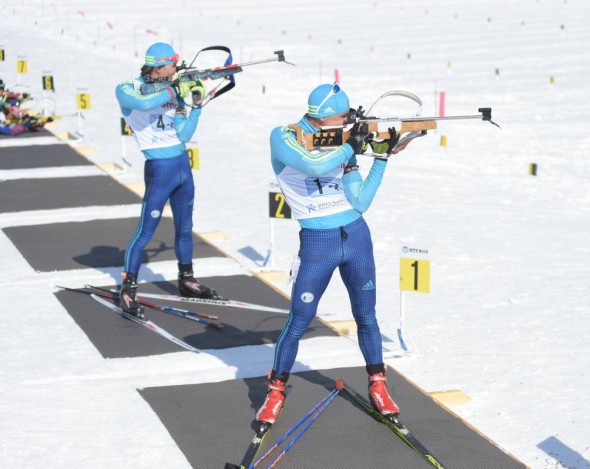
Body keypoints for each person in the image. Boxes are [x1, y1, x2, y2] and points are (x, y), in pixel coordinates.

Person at [256, 82, 402, 425]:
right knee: (300, 318)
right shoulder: (285, 136)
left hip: (357, 237)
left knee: (367, 316)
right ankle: (276, 390)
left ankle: (378, 385)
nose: (346, 122)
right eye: (342, 117)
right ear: (322, 117)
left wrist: (380, 157)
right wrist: (352, 144)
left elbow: (360, 201)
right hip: (318, 244)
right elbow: (313, 166)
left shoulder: (342, 144)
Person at [115, 42, 220, 318]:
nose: (176, 69)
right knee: (146, 231)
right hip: (160, 169)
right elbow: (143, 103)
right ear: (159, 66)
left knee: (185, 227)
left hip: (182, 166)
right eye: (173, 65)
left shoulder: (174, 88)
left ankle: (187, 279)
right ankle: (128, 288)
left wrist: (196, 106)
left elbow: (183, 134)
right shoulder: (129, 88)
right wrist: (175, 90)